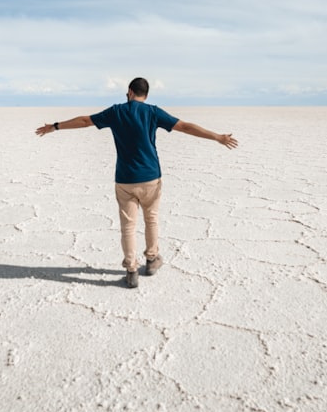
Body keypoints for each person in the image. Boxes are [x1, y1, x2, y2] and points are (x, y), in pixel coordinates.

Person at [35, 77, 238, 288]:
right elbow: (185, 127)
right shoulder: (152, 111)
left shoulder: (116, 112)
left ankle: (131, 270)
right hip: (151, 177)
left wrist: (56, 126)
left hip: (125, 179)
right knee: (151, 219)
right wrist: (217, 137)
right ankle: (152, 260)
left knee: (128, 227)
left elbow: (85, 121)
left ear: (130, 92)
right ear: (146, 95)